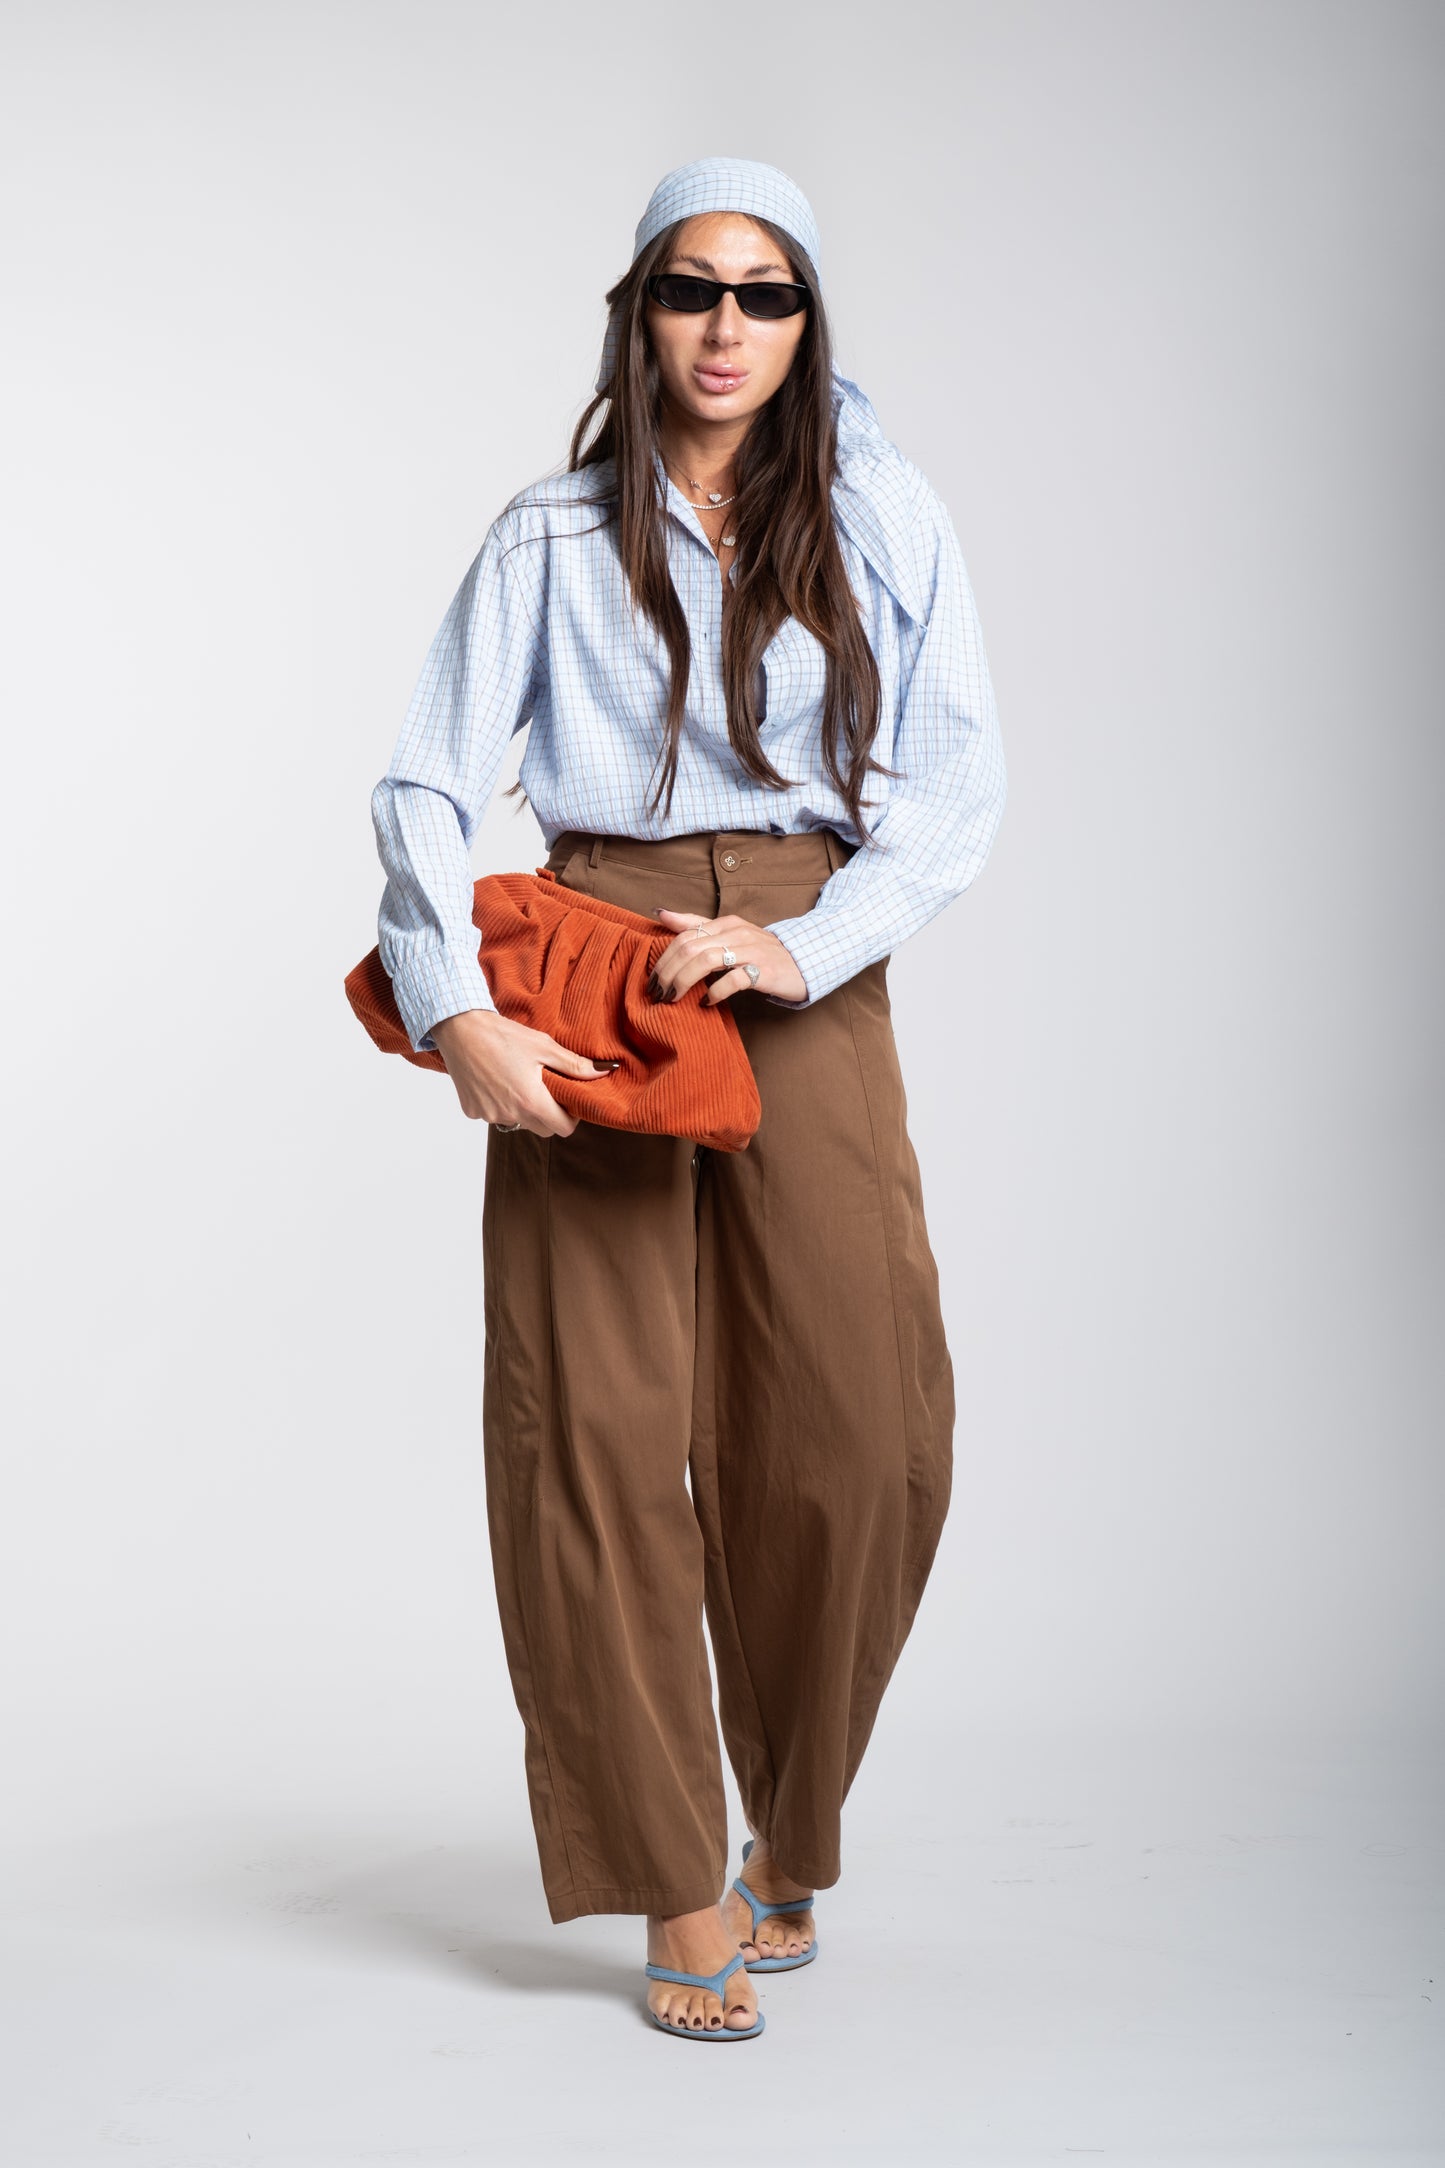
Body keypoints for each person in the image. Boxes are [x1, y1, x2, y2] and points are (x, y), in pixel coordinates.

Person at [369, 156, 1007, 2041]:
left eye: (765, 293)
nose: (726, 326)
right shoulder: (548, 538)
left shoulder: (881, 513)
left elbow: (955, 778)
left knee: (860, 1428)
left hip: (800, 956)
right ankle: (672, 1876)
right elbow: (423, 782)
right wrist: (452, 1008)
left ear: (806, 323)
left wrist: (811, 945)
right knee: (591, 1432)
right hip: (594, 963)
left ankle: (787, 1819)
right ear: (638, 313)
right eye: (690, 289)